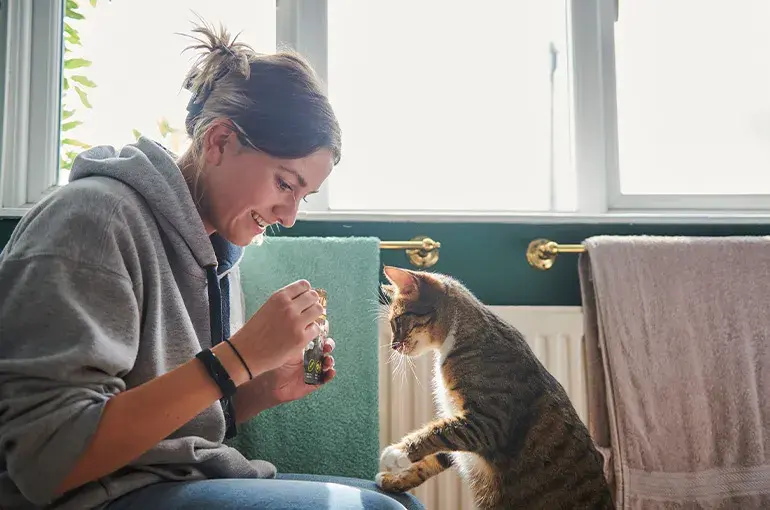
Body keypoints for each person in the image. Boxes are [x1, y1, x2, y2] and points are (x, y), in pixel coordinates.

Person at [0, 21, 424, 510]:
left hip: (163, 480)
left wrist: (261, 387)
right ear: (219, 141)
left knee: (402, 503)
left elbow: (168, 426)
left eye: (303, 195)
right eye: (285, 183)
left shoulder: (214, 252)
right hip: (91, 498)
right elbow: (48, 461)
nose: (289, 216)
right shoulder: (95, 220)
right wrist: (239, 357)